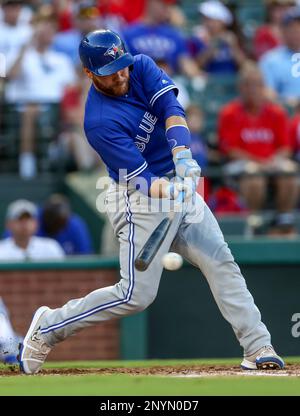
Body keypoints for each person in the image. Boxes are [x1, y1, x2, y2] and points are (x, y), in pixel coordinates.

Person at [19, 30, 284, 375]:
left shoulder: (140, 66)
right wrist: (172, 190)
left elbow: (171, 107)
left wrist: (183, 154)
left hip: (178, 180)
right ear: (89, 73)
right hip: (139, 197)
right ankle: (48, 326)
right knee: (135, 296)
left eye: (121, 66)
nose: (120, 75)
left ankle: (258, 345)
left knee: (221, 261)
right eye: (109, 71)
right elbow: (142, 180)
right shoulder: (99, 121)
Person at [219, 63, 298, 215]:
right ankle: (252, 221)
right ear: (240, 88)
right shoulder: (229, 113)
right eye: (248, 85)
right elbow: (230, 150)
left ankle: (283, 222)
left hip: (271, 162)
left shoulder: (277, 113)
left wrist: (272, 161)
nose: (253, 89)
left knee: (289, 172)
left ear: (264, 87)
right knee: (254, 176)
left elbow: (286, 148)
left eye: (257, 85)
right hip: (241, 165)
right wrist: (258, 162)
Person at [5, 11, 76, 179]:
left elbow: (71, 88)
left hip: (56, 109)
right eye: (43, 26)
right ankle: (27, 164)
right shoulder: (20, 54)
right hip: (23, 109)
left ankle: (58, 154)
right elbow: (10, 76)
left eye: (51, 27)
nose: (48, 31)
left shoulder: (61, 59)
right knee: (31, 110)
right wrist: (25, 47)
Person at [122, 0, 200, 79]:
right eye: (164, 4)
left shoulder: (174, 34)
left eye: (169, 6)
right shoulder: (128, 33)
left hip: (169, 84)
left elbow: (187, 64)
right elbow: (125, 68)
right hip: (140, 84)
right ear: (151, 3)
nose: (167, 9)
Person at [190, 0, 245, 75]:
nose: (207, 23)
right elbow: (195, 66)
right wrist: (212, 47)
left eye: (210, 20)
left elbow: (243, 65)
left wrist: (233, 46)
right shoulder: (197, 38)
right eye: (205, 19)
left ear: (222, 22)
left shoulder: (232, 38)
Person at [259, 6, 300, 107]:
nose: (296, 31)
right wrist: (288, 103)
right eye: (291, 27)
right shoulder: (270, 60)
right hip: (286, 115)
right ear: (282, 31)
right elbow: (267, 93)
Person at [0, 199, 65, 261]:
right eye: (20, 219)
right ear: (8, 224)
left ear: (36, 223)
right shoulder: (1, 250)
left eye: (28, 219)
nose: (24, 223)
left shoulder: (50, 247)